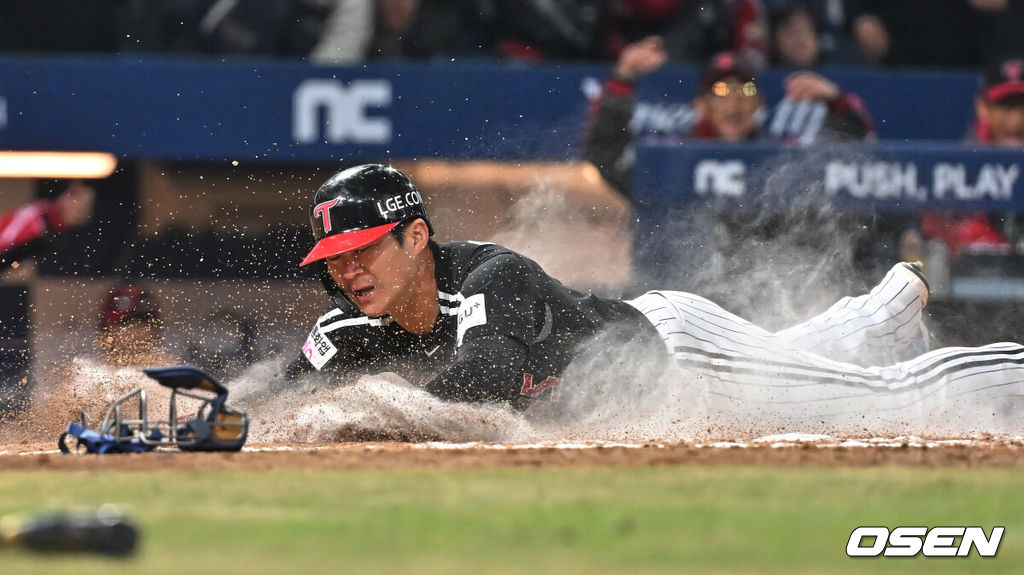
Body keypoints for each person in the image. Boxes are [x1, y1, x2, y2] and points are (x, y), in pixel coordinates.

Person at [278, 164, 1024, 431]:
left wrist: (364, 414)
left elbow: (490, 377)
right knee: (801, 361)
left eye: (360, 248)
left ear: (414, 238)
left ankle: (916, 325)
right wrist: (193, 409)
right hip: (657, 347)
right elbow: (276, 396)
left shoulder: (489, 276)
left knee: (886, 398)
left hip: (687, 365)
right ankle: (887, 306)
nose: (345, 270)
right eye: (332, 258)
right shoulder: (351, 323)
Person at [582, 37, 874, 198]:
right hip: (673, 296)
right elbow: (604, 154)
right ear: (701, 105)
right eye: (721, 89)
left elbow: (855, 161)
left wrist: (836, 101)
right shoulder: (670, 159)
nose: (735, 101)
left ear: (759, 102)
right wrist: (622, 81)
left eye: (745, 88)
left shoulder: (777, 160)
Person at [0, 181, 95, 272]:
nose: (77, 214)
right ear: (65, 198)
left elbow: (14, 259)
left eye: (82, 210)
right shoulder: (39, 219)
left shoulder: (52, 233)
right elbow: (7, 240)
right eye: (77, 208)